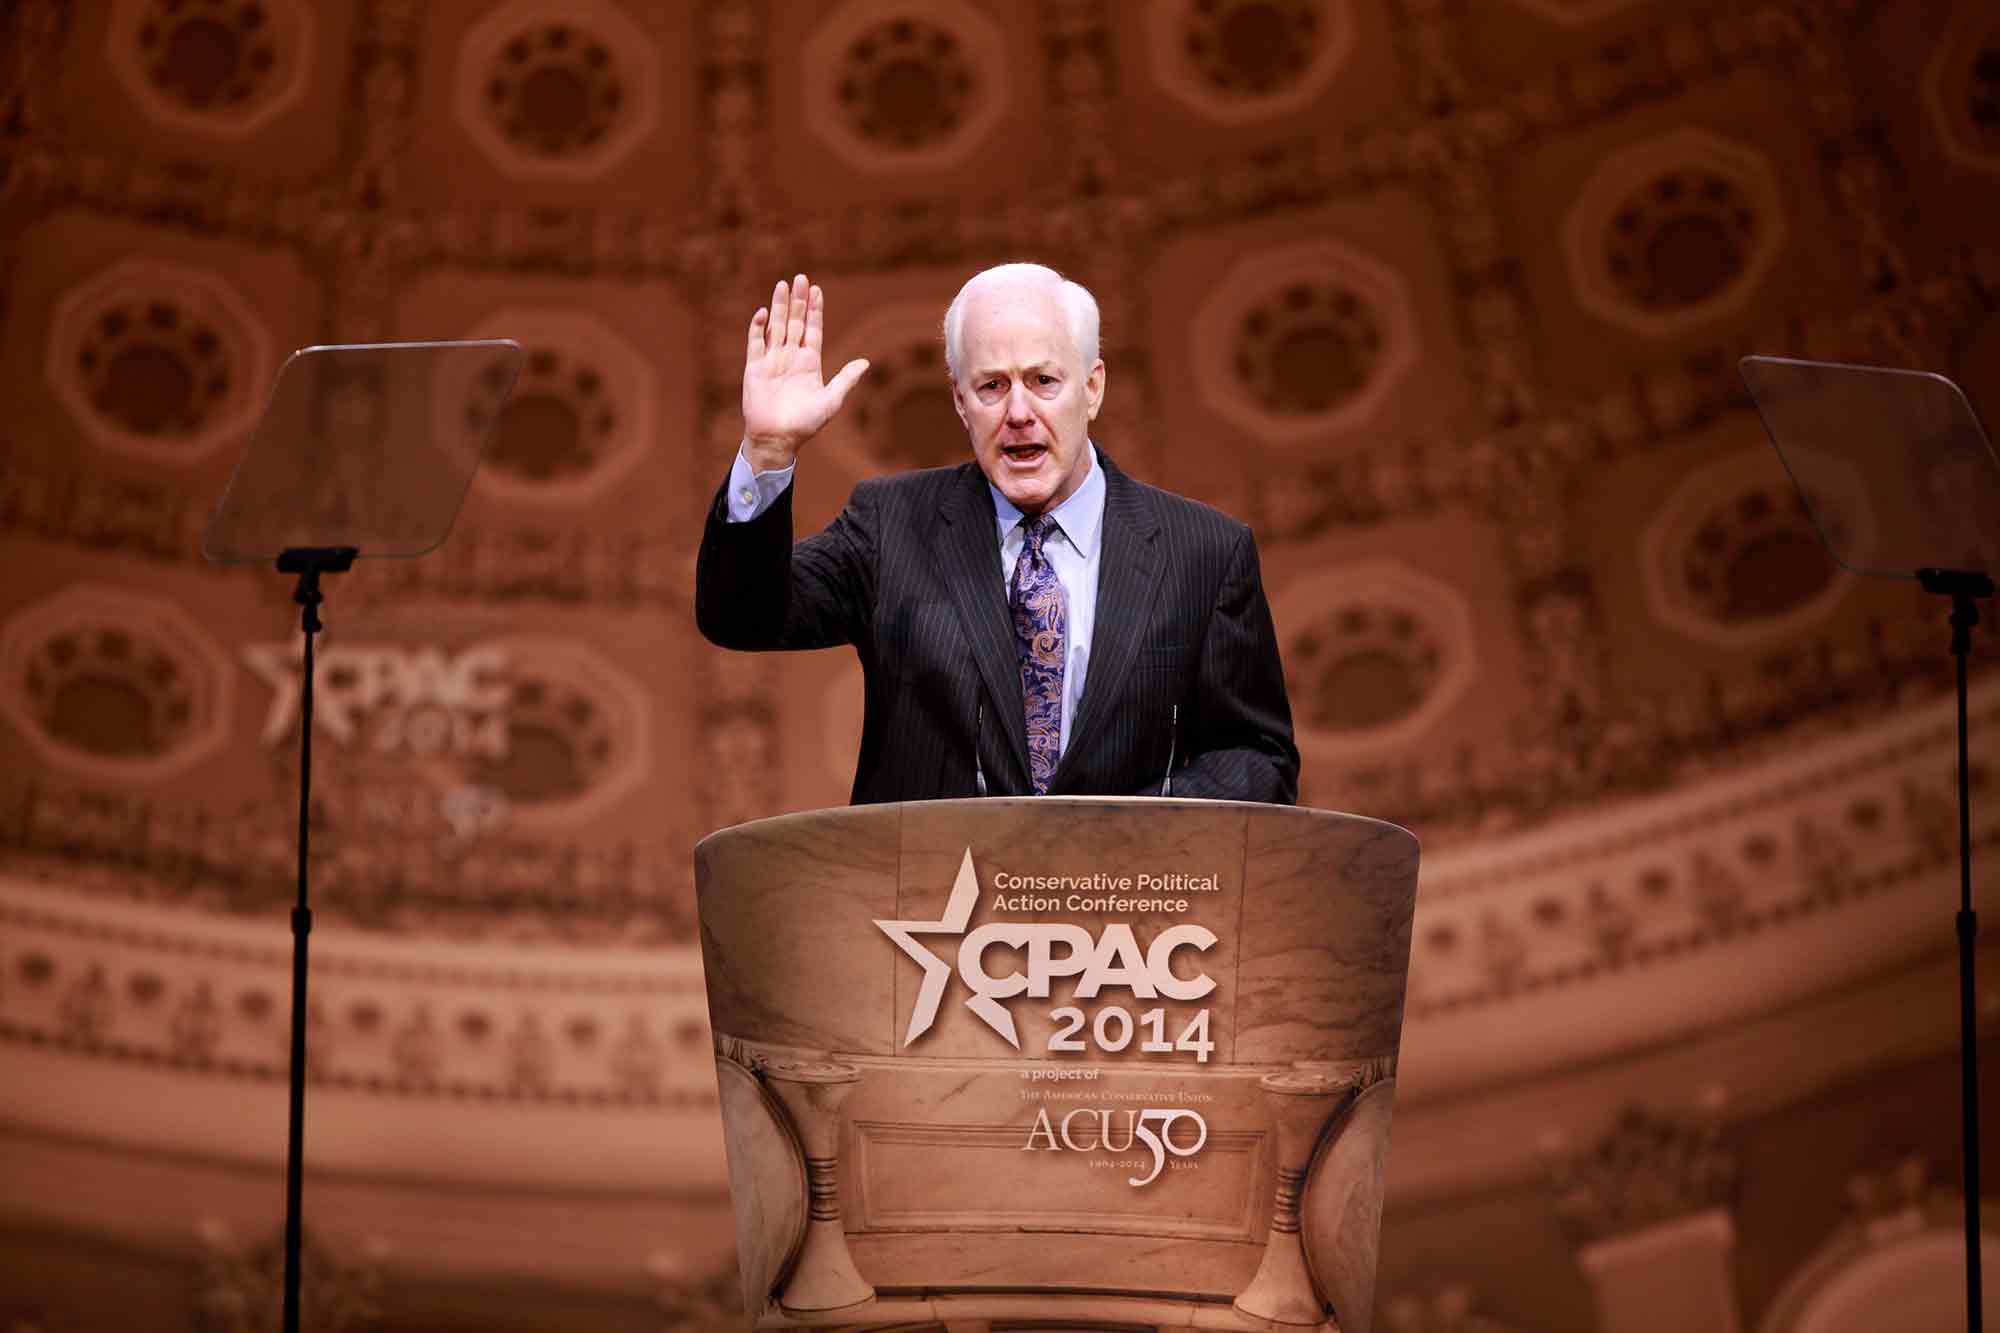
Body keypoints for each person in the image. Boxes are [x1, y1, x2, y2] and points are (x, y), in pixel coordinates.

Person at [695, 264, 1299, 805]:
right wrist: (769, 450)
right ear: (960, 401)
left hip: (1125, 915)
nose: (1017, 413)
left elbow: (1256, 757)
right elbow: (740, 617)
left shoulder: (1204, 553)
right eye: (991, 386)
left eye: (1042, 381)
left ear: (1092, 389)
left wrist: (1135, 830)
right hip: (930, 916)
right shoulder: (891, 525)